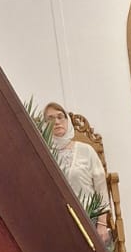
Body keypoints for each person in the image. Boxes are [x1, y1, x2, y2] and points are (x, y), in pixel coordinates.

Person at [44, 102, 111, 239]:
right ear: (45, 125)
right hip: (60, 224)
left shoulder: (86, 150)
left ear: (67, 120)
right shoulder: (44, 155)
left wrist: (102, 224)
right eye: (51, 118)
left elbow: (101, 189)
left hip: (90, 219)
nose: (56, 122)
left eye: (60, 117)